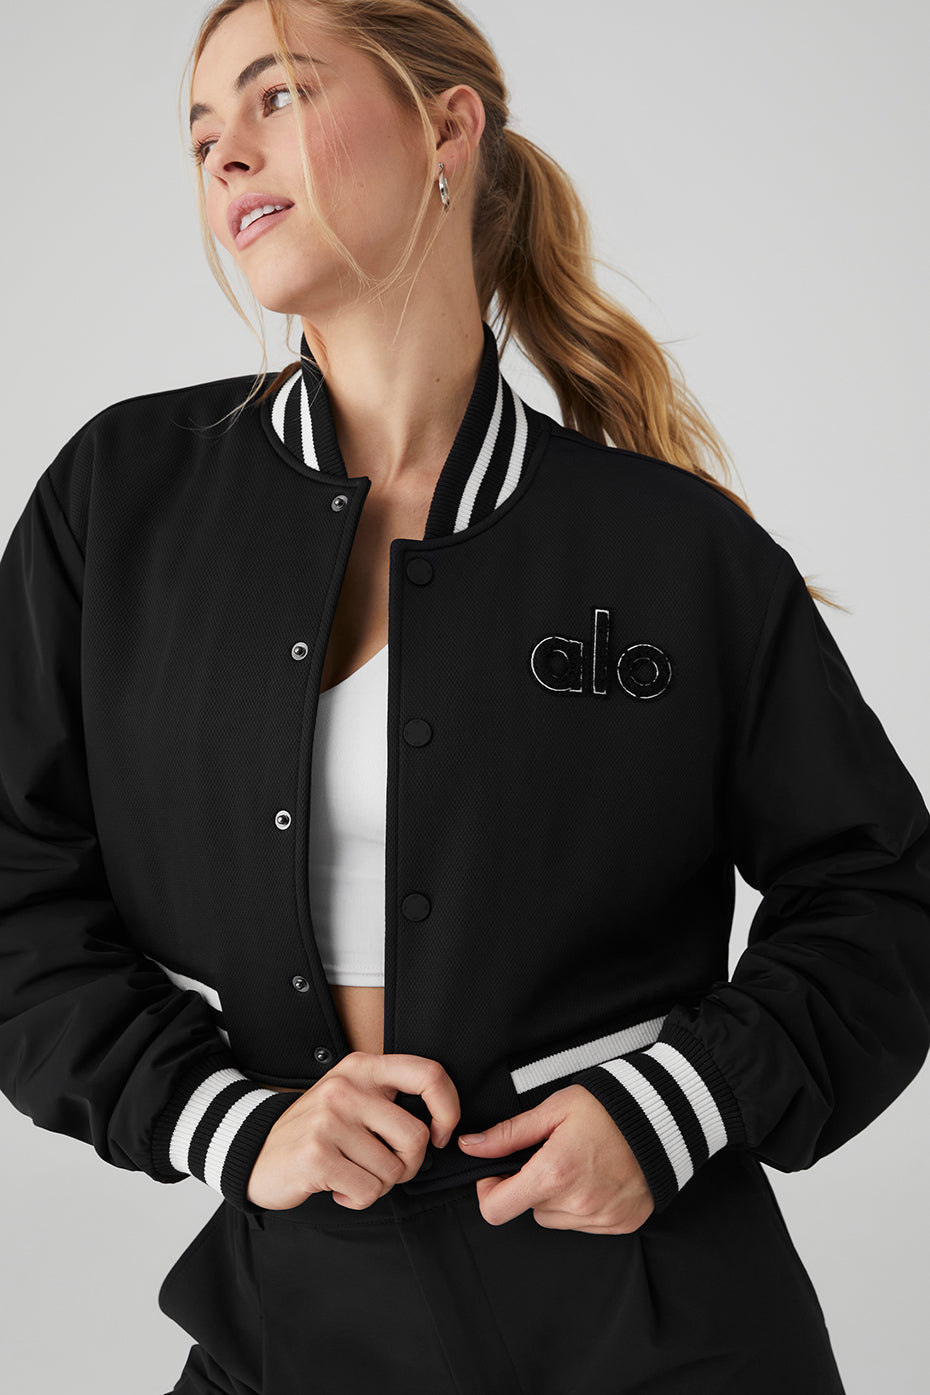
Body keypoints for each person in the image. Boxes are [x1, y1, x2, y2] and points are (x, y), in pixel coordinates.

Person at [1, 0, 928, 1391]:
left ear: (448, 128)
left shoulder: (674, 550)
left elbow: (880, 891)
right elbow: (15, 883)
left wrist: (673, 1108)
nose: (227, 155)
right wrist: (229, 1122)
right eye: (200, 136)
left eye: (276, 96)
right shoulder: (117, 505)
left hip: (653, 1313)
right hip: (293, 1310)